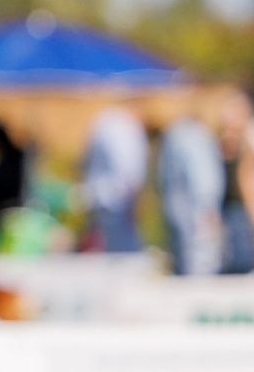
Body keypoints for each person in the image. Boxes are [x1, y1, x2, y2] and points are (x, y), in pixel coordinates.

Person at [156, 114, 226, 278]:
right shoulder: (194, 136)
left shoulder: (176, 135)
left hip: (182, 212)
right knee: (202, 263)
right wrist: (209, 207)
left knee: (188, 262)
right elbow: (204, 178)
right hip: (197, 212)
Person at [81, 103, 149, 253]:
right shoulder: (124, 128)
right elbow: (127, 170)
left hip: (102, 199)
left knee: (110, 250)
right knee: (123, 254)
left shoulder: (104, 121)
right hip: (118, 201)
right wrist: (134, 202)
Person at [218, 91, 254, 275]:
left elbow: (247, 177)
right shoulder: (221, 140)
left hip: (241, 207)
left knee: (242, 259)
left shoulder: (248, 141)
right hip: (225, 207)